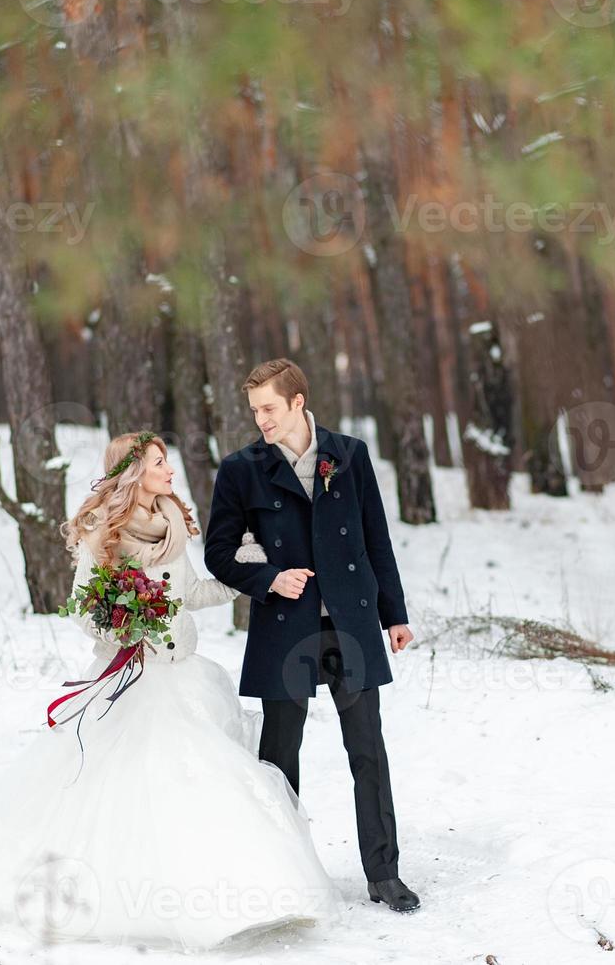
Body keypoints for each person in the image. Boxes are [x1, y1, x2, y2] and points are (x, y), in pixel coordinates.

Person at [0, 431, 344, 951]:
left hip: (183, 674)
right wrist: (124, 627)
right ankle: (147, 901)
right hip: (131, 678)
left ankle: (244, 892)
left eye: (168, 460)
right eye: (159, 462)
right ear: (132, 472)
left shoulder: (170, 522)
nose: (170, 471)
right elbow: (83, 606)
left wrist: (250, 571)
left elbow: (189, 594)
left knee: (202, 782)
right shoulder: (104, 532)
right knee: (134, 786)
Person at [203, 358, 421, 913]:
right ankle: (282, 877)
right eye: (255, 411)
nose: (261, 420)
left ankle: (384, 874)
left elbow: (377, 538)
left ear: (298, 401)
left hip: (349, 622)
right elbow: (218, 554)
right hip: (284, 627)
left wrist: (393, 614)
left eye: (269, 408)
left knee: (367, 751)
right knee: (279, 757)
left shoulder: (350, 455)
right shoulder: (240, 469)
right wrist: (270, 578)